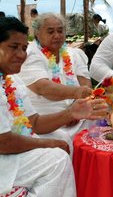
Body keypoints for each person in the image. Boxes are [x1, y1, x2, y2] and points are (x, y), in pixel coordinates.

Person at [0, 17, 107, 196]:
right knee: (56, 160)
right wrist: (47, 143)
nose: (21, 54)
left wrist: (72, 113)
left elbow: (34, 123)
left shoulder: (13, 80)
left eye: (24, 48)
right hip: (3, 156)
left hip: (10, 147)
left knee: (63, 138)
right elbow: (3, 142)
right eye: (13, 47)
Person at [16, 13, 94, 143]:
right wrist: (74, 98)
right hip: (46, 124)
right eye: (50, 31)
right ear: (37, 33)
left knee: (98, 126)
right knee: (61, 141)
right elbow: (44, 88)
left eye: (60, 30)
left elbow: (86, 85)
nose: (57, 35)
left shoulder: (74, 54)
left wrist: (76, 109)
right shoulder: (30, 54)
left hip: (79, 119)